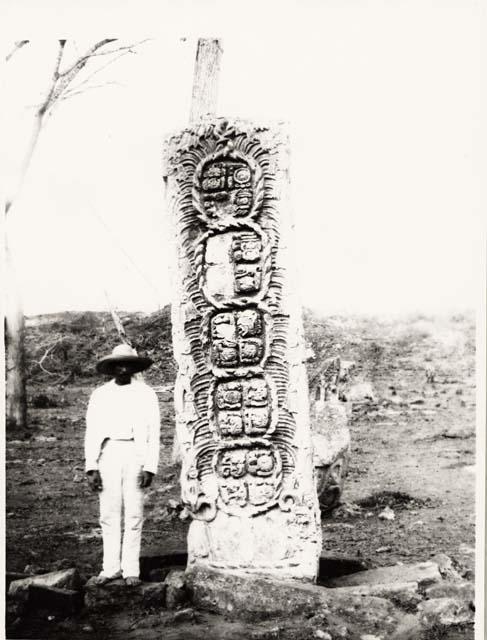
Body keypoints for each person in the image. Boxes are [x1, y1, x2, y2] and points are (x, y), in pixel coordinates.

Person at [84, 343, 160, 586]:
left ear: (135, 367)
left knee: (134, 513)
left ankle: (131, 570)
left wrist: (149, 466)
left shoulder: (146, 394)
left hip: (135, 453)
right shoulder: (100, 395)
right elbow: (92, 431)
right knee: (109, 513)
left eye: (129, 364)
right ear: (112, 367)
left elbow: (154, 431)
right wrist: (91, 466)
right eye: (119, 364)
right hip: (109, 453)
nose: (124, 368)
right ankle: (110, 568)